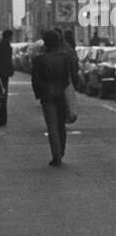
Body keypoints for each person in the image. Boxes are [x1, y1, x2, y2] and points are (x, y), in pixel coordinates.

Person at [31, 28, 76, 166]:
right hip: (62, 93)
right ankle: (61, 150)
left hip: (47, 95)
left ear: (45, 43)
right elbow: (70, 75)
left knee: (52, 126)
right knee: (61, 124)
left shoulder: (39, 59)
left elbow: (35, 79)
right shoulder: (65, 58)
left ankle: (56, 155)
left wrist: (39, 94)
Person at [0, 29, 14, 123]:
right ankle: (2, 117)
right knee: (4, 94)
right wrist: (10, 70)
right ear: (9, 37)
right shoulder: (7, 47)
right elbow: (8, 60)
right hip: (4, 74)